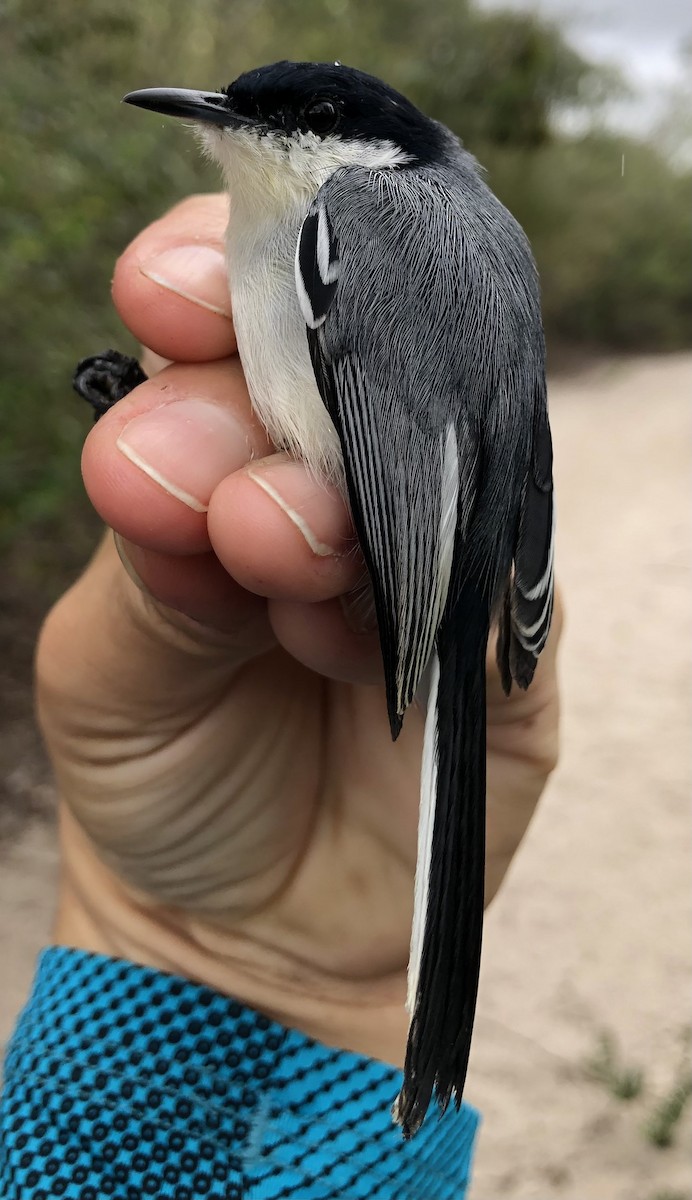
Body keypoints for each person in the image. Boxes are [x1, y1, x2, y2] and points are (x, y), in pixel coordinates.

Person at [0, 194, 562, 1199]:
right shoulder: (475, 233)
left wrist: (417, 616)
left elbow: (386, 458)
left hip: (409, 555)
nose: (241, 128)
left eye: (294, 117)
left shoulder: (349, 212)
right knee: (248, 509)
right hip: (420, 574)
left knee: (269, 516)